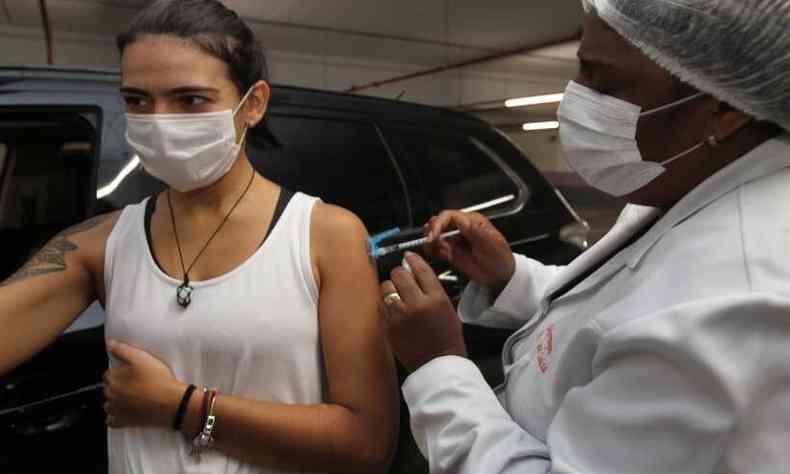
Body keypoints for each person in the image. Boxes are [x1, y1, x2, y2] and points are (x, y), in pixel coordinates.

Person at [381, 0, 790, 472]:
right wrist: (510, 278)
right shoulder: (683, 183)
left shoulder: (737, 302)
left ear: (723, 112)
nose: (574, 98)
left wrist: (438, 365)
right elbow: (620, 310)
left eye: (602, 79)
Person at [0, 1, 398, 473]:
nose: (159, 121)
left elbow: (368, 442)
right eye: (137, 100)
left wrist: (184, 407)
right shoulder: (103, 243)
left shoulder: (323, 236)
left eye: (190, 100)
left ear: (253, 103)